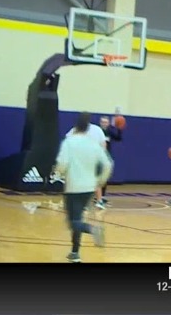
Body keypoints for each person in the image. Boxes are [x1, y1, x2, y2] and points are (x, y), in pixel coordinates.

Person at [54, 112, 112, 263]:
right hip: (89, 188)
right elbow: (107, 164)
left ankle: (93, 229)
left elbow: (62, 163)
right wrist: (100, 181)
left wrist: (58, 173)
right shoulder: (93, 144)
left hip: (73, 186)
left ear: (76, 126)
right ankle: (75, 253)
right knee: (77, 218)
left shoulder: (69, 142)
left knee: (73, 221)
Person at [66, 114, 108, 209]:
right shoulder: (97, 129)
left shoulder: (76, 129)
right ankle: (99, 201)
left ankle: (85, 203)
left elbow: (68, 139)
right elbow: (103, 144)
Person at [96, 115, 123, 206]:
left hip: (107, 157)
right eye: (103, 122)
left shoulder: (109, 132)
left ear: (108, 123)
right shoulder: (97, 132)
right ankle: (96, 197)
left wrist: (119, 128)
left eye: (106, 122)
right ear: (100, 123)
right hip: (98, 156)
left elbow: (118, 138)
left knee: (105, 177)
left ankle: (102, 196)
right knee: (97, 177)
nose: (104, 124)